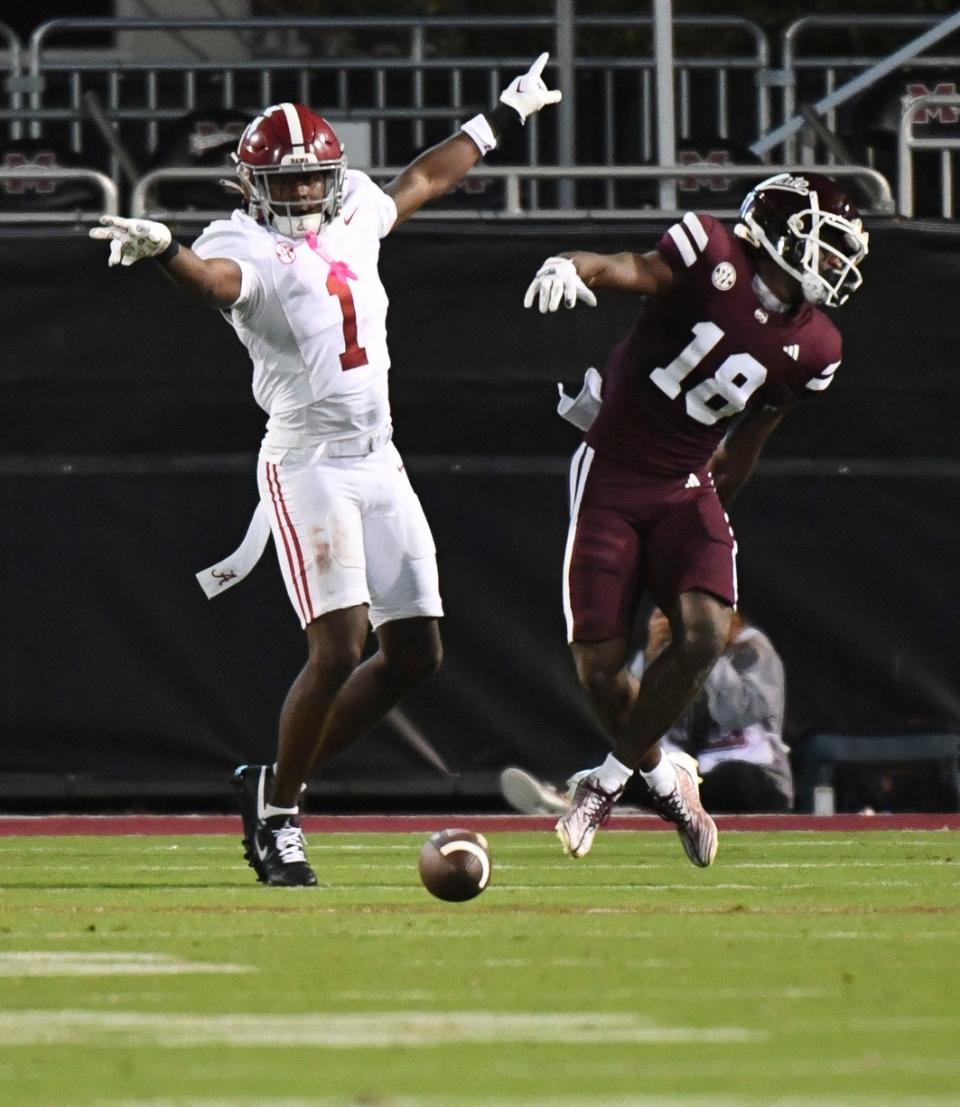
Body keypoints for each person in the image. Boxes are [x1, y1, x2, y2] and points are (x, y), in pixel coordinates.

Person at [89, 54, 562, 887]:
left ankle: (273, 778)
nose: (306, 194)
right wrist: (166, 250)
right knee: (339, 644)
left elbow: (423, 178)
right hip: (307, 459)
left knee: (418, 654)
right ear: (251, 183)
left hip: (380, 455)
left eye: (315, 180)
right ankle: (280, 817)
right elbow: (211, 282)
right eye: (289, 181)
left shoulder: (351, 216)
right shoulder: (241, 241)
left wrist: (507, 114)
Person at [522, 172, 868, 865]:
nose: (835, 263)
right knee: (598, 668)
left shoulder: (818, 346)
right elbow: (629, 268)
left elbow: (743, 451)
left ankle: (609, 780)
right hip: (613, 472)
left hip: (687, 485)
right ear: (781, 232)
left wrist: (694, 544)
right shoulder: (709, 251)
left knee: (705, 628)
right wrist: (572, 263)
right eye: (826, 243)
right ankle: (666, 779)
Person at [499, 608, 793, 817]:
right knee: (635, 768)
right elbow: (636, 721)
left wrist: (706, 651)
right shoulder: (670, 657)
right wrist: (654, 656)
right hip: (696, 774)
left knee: (733, 780)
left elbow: (740, 714)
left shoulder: (752, 649)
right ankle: (584, 799)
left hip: (754, 775)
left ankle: (617, 805)